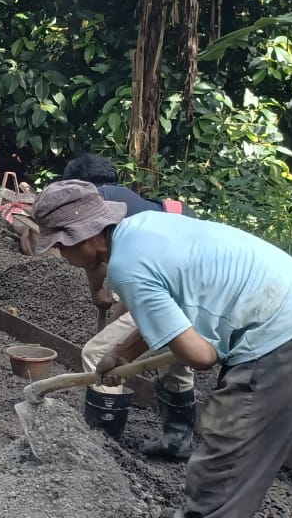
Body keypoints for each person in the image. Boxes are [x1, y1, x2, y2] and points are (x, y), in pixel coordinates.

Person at [32, 180, 292, 518]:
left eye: (60, 246)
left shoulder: (127, 268)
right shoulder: (143, 227)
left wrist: (142, 353)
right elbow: (177, 301)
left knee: (223, 458)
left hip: (285, 337)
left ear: (87, 237)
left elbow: (200, 355)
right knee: (234, 452)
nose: (61, 256)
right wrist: (127, 352)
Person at [63, 153, 196, 460]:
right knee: (170, 355)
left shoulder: (97, 203)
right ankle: (177, 441)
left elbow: (95, 256)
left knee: (98, 354)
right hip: (190, 284)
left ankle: (101, 448)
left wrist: (98, 291)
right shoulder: (133, 202)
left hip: (169, 286)